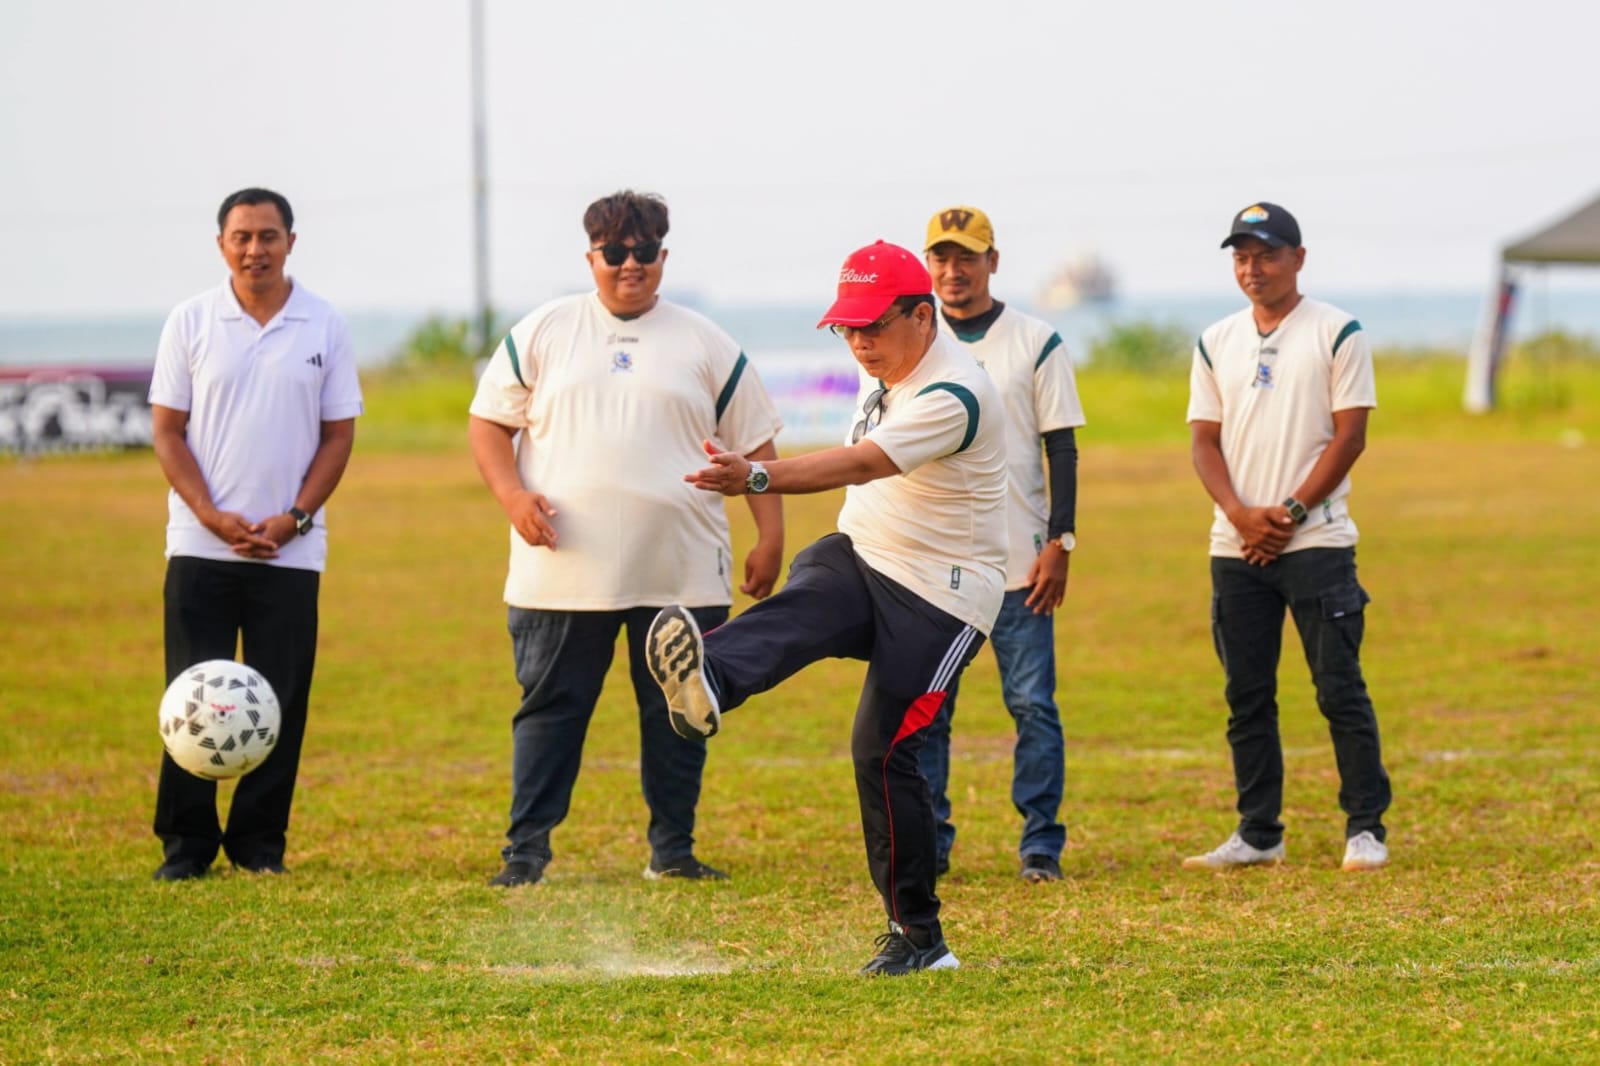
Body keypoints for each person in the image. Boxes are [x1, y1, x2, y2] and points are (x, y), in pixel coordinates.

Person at [644, 240, 1009, 975]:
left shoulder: (955, 393)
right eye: (847, 328)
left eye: (873, 325)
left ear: (922, 315)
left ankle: (920, 940)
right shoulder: (887, 376)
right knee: (814, 581)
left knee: (881, 752)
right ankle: (710, 677)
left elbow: (863, 463)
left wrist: (756, 477)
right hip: (868, 555)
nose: (859, 342)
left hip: (943, 597)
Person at [468, 190, 784, 888]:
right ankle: (525, 854)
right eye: (614, 252)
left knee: (680, 711)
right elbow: (489, 423)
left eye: (643, 251)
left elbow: (757, 444)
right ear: (591, 257)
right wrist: (513, 497)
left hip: (680, 569)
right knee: (550, 710)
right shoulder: (545, 330)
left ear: (663, 256)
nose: (629, 264)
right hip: (561, 569)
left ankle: (673, 851)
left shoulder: (706, 342)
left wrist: (770, 536)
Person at [148, 187, 363, 881]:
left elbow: (338, 436)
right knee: (191, 696)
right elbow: (167, 431)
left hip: (290, 550)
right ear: (221, 245)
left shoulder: (323, 323)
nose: (255, 249)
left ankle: (258, 846)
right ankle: (186, 846)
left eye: (268, 236)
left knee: (281, 700)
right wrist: (209, 514)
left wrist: (295, 517)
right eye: (241, 237)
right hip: (200, 544)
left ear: (290, 242)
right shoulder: (190, 320)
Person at [1183, 201, 1392, 872]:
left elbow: (1350, 436)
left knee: (1338, 688)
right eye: (1242, 257)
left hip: (1317, 542)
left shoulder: (1337, 331)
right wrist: (1241, 515)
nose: (1254, 268)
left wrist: (1292, 513)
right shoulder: (1216, 340)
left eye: (1267, 255)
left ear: (1297, 259)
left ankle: (1365, 828)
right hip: (1236, 545)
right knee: (1246, 696)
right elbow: (1204, 441)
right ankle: (1258, 832)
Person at [919, 205, 1085, 883]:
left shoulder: (1036, 341)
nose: (953, 271)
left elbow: (1061, 449)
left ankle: (1040, 844)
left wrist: (1061, 541)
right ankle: (931, 840)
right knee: (930, 711)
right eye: (941, 257)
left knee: (1032, 706)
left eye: (967, 256)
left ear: (993, 261)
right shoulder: (914, 339)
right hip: (936, 569)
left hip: (1019, 564)